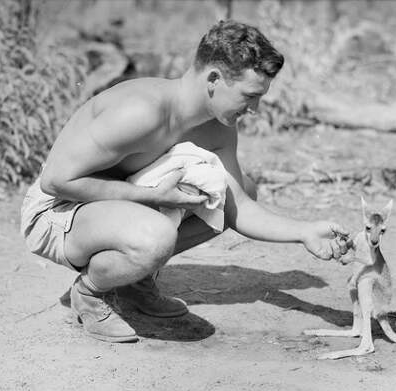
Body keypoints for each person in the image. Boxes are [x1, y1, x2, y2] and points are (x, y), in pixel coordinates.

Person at [20, 20, 351, 343]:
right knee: (157, 237)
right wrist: (148, 196)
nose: (255, 108)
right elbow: (56, 181)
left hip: (112, 209)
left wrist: (304, 231)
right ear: (214, 79)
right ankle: (89, 293)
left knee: (238, 189)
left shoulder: (219, 127)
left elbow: (240, 207)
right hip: (57, 213)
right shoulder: (141, 111)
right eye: (250, 96)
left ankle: (134, 279)